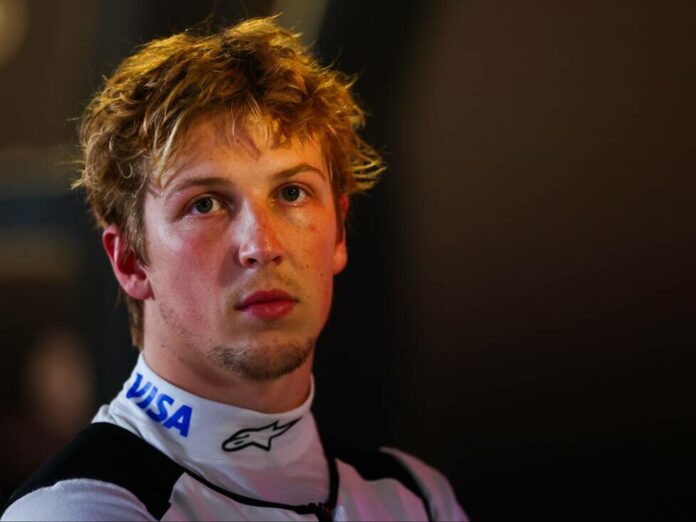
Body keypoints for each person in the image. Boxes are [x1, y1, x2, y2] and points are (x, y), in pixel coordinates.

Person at [2, 17, 467, 521]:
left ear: (339, 233)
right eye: (204, 204)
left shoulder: (417, 498)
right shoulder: (77, 509)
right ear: (130, 260)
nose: (261, 246)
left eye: (292, 193)